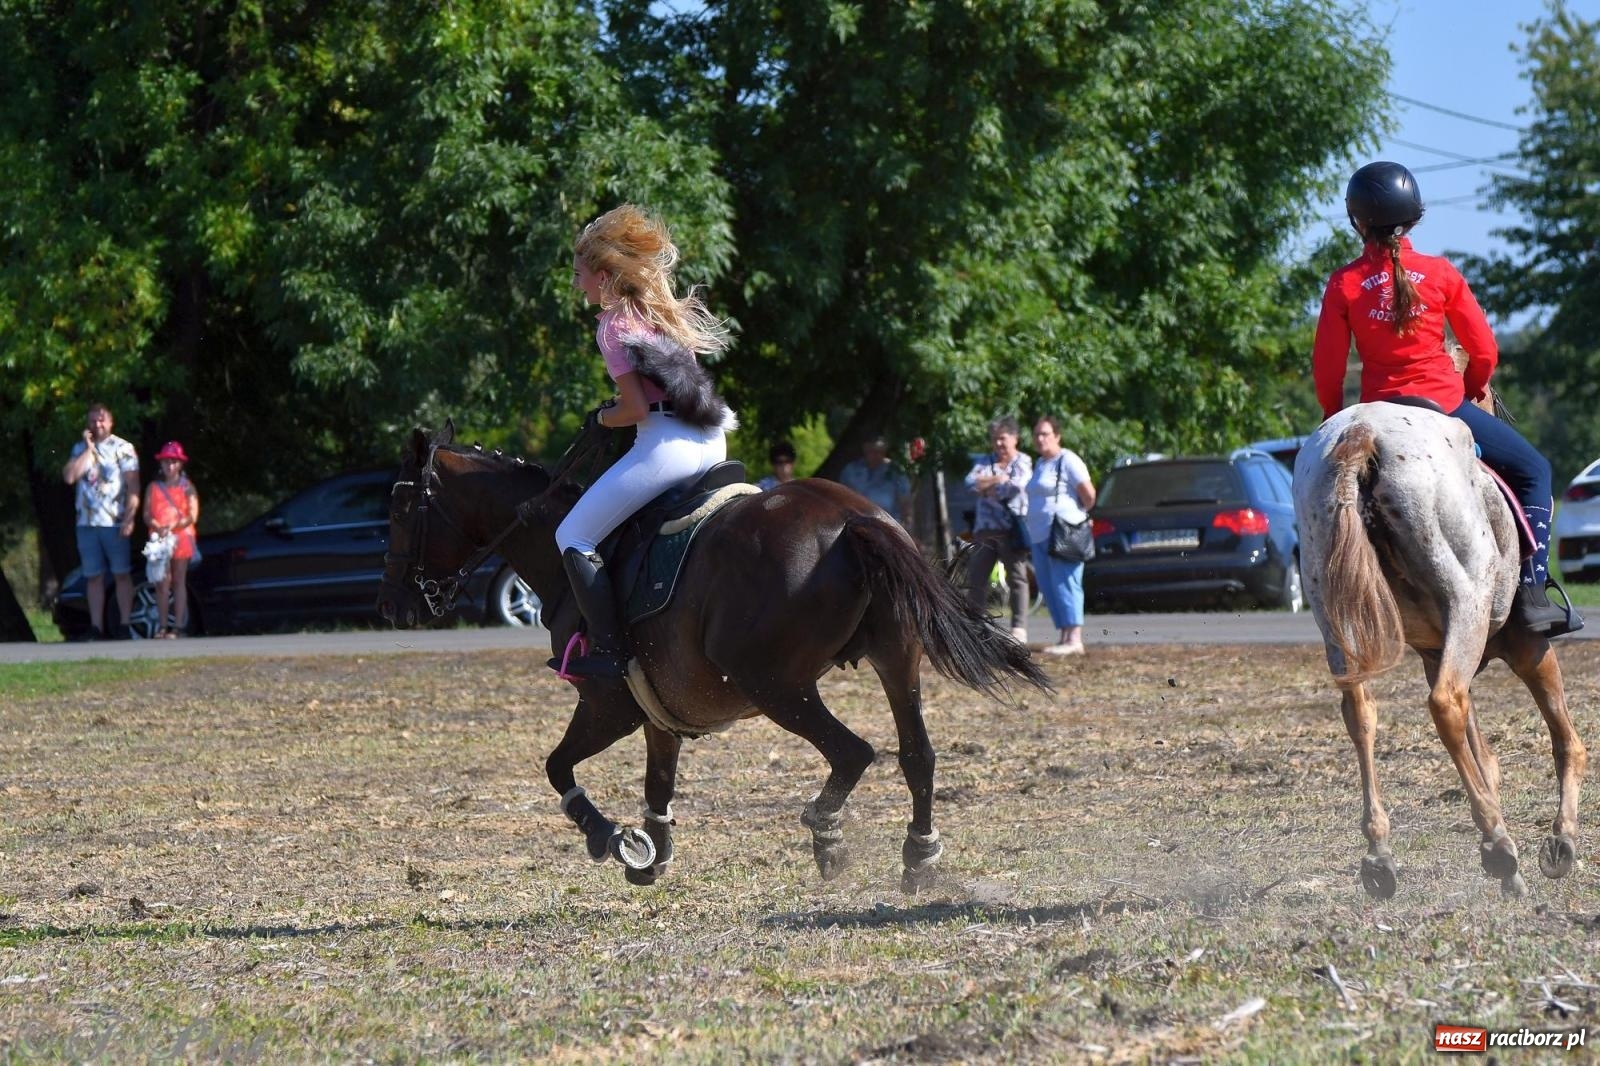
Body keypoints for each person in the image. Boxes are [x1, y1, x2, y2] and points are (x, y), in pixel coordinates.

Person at [1313, 160, 1580, 637]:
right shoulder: (1439, 273)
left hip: (1376, 413)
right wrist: (1476, 384)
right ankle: (1532, 590)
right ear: (1414, 218)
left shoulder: (1344, 284)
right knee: (1535, 469)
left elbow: (1327, 370)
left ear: (1358, 221)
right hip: (1444, 406)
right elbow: (1484, 350)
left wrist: (1334, 417)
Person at [557, 203, 735, 677]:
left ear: (602, 275)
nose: (576, 284)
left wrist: (603, 418)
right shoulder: (658, 312)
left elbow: (634, 409)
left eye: (579, 274)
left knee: (571, 535)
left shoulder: (613, 325)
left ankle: (612, 652)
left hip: (666, 446)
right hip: (713, 441)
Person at [61, 402, 140, 640]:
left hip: (114, 522)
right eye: (93, 420)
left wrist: (130, 517)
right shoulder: (80, 449)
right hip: (87, 523)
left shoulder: (123, 448)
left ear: (111, 421)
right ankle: (97, 627)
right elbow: (69, 477)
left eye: (102, 419)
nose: (98, 424)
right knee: (93, 577)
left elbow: (133, 486)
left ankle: (125, 625)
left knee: (121, 574)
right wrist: (88, 448)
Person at [1025, 417, 1097, 656]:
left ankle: (1075, 638)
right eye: (1036, 434)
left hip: (1063, 533)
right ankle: (1064, 636)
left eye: (1045, 434)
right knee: (1048, 584)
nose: (1040, 439)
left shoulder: (1068, 460)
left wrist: (1079, 515)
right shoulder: (1040, 463)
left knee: (1066, 582)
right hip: (1039, 534)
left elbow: (1089, 494)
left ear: (1057, 436)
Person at [963, 417, 1033, 643]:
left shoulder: (1023, 461)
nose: (999, 444)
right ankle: (976, 625)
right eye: (995, 440)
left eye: (1003, 439)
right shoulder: (985, 461)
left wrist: (987, 485)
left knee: (1017, 577)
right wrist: (997, 478)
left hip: (1011, 528)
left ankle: (1019, 627)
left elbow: (1017, 486)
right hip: (985, 529)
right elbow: (969, 484)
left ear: (1015, 439)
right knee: (976, 577)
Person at [143, 441, 200, 638]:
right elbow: (147, 514)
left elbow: (192, 515)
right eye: (167, 462)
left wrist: (173, 527)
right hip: (159, 539)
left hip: (181, 537)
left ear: (180, 464)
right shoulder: (153, 487)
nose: (170, 466)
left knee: (178, 581)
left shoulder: (187, 487)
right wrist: (158, 527)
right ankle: (162, 626)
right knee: (161, 582)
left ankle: (178, 627)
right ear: (161, 464)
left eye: (174, 462)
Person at [838, 436, 912, 525]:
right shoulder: (851, 470)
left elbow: (905, 501)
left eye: (880, 452)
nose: (876, 455)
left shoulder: (895, 472)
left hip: (887, 523)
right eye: (872, 451)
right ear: (865, 450)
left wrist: (907, 521)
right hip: (856, 522)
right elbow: (840, 497)